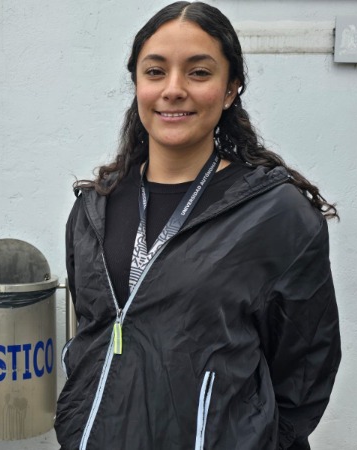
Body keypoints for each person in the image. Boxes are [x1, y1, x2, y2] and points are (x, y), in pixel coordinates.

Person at [54, 2, 341, 449]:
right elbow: (92, 333)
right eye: (155, 72)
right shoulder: (94, 209)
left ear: (230, 90)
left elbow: (304, 369)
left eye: (199, 73)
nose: (173, 89)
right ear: (137, 84)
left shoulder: (276, 215)